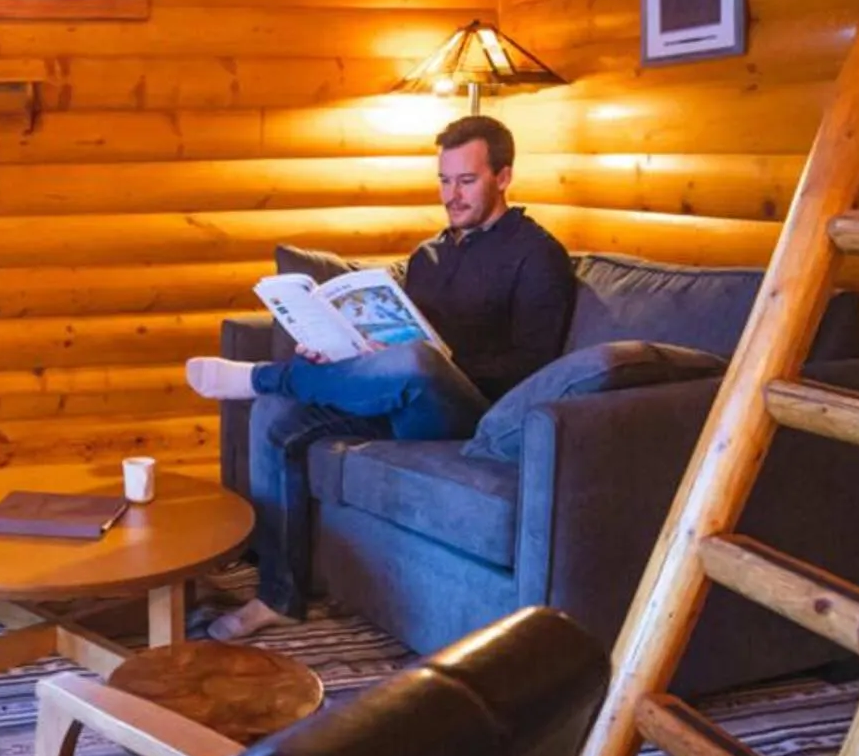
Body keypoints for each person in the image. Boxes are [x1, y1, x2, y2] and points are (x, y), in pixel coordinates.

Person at [184, 115, 573, 639]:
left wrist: (447, 358)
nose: (451, 196)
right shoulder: (429, 256)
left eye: (466, 181)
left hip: (469, 411)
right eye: (443, 181)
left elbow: (534, 364)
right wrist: (336, 349)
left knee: (416, 361)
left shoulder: (536, 255)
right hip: (399, 399)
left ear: (503, 177)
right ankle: (278, 595)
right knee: (277, 415)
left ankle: (265, 375)